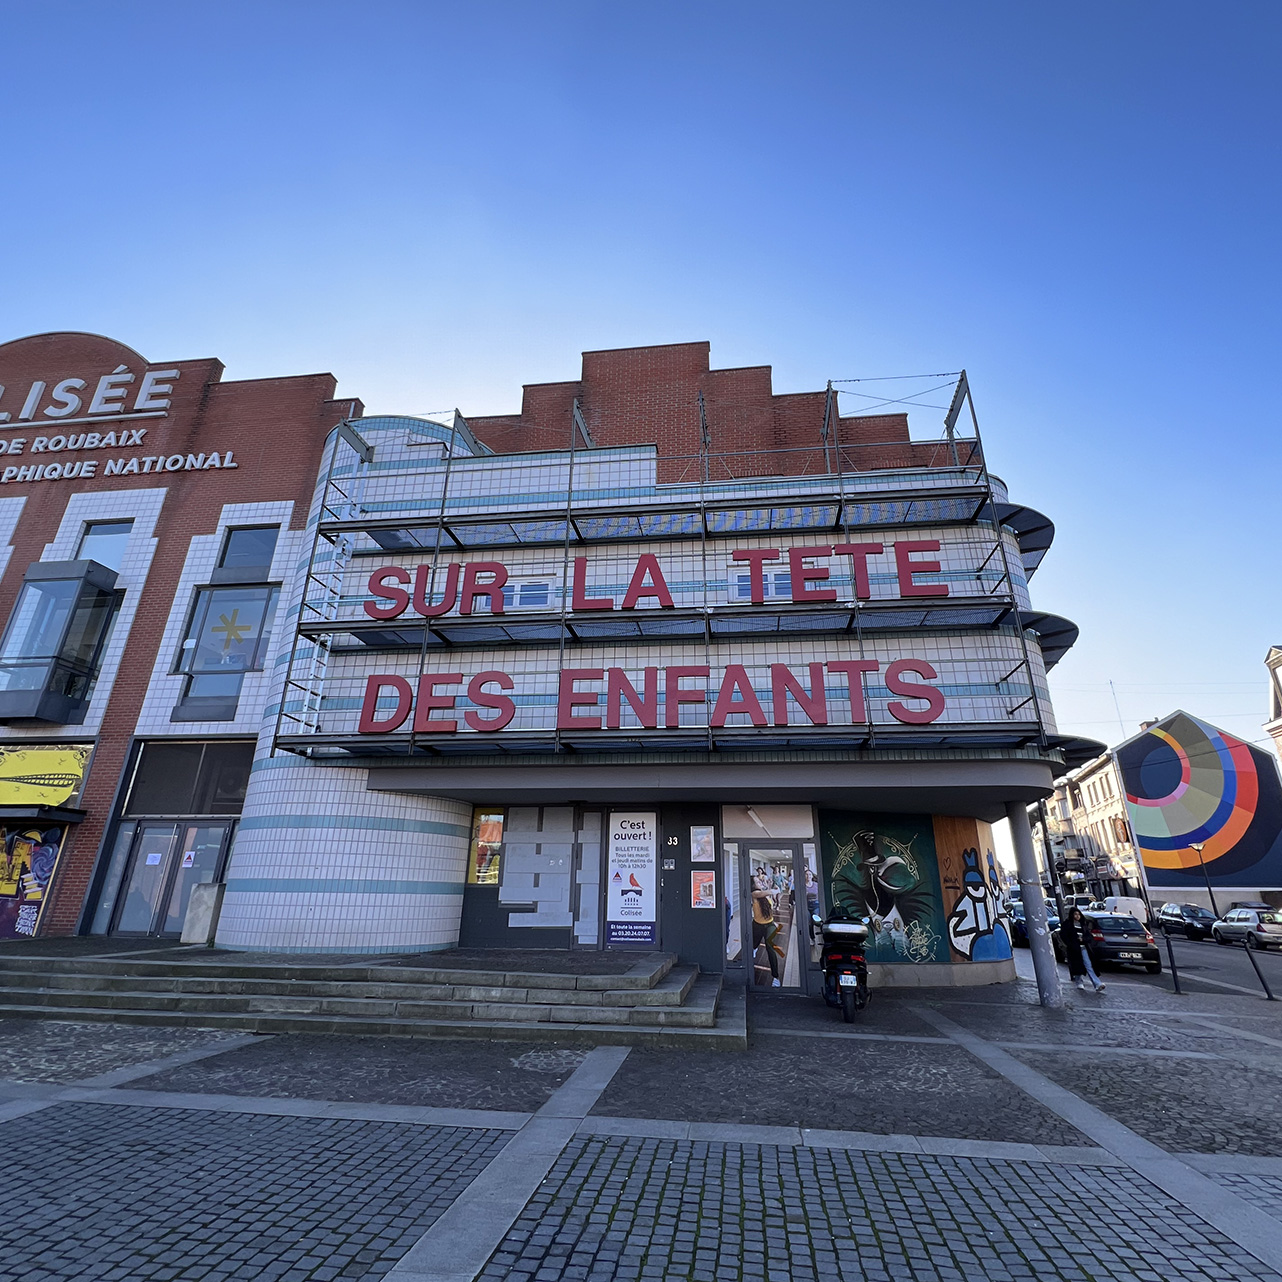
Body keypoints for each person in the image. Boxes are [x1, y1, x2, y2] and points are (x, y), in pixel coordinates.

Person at [1060, 907, 1105, 993]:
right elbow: (1064, 936)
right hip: (1074, 949)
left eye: (1078, 914)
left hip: (1084, 947)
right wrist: (1071, 944)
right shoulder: (1068, 924)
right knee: (1077, 965)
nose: (1077, 916)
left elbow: (1089, 936)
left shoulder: (1083, 924)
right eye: (1075, 914)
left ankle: (1097, 983)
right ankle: (1079, 981)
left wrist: (1083, 939)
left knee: (1088, 965)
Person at [751, 875, 782, 987]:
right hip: (757, 925)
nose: (759, 882)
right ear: (753, 885)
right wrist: (775, 890)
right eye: (757, 882)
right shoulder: (754, 894)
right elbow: (764, 893)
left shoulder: (764, 894)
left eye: (759, 881)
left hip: (769, 925)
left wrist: (773, 921)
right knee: (753, 945)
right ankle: (754, 948)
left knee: (770, 946)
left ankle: (775, 976)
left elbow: (769, 908)